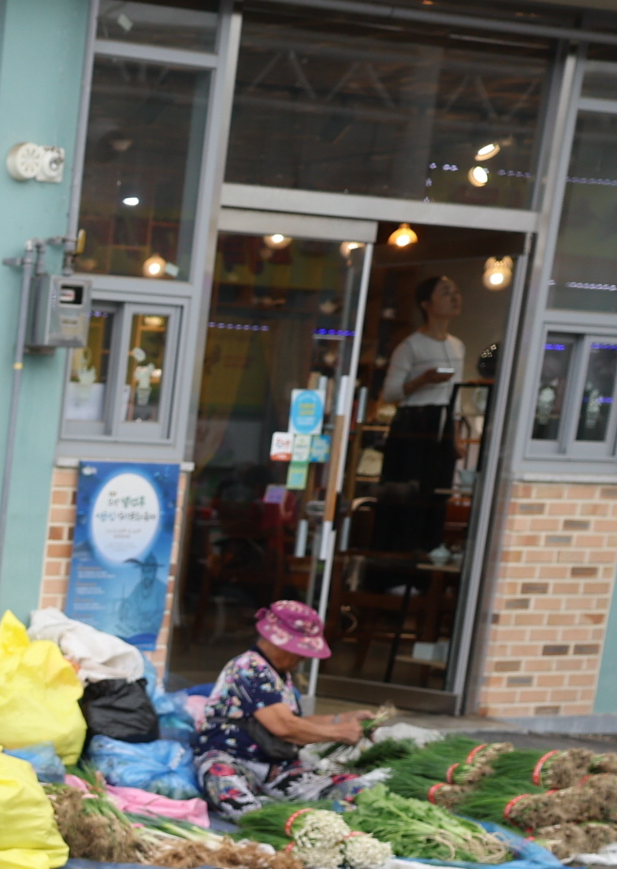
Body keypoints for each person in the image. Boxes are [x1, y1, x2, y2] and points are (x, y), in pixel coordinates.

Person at [190, 600, 367, 818]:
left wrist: (344, 719)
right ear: (277, 642)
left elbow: (294, 721)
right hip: (233, 761)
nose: (303, 657)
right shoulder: (248, 667)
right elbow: (284, 727)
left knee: (356, 789)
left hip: (276, 768)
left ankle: (278, 807)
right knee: (235, 797)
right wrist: (339, 733)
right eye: (299, 650)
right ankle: (267, 812)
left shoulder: (279, 674)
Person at [376, 274, 468, 556]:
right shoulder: (411, 346)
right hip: (414, 424)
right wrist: (423, 380)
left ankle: (430, 552)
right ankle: (397, 561)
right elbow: (390, 393)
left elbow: (457, 395)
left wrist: (457, 436)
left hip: (444, 423)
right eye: (445, 293)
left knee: (438, 492)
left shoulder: (458, 345)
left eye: (455, 291)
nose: (455, 297)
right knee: (408, 494)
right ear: (426, 304)